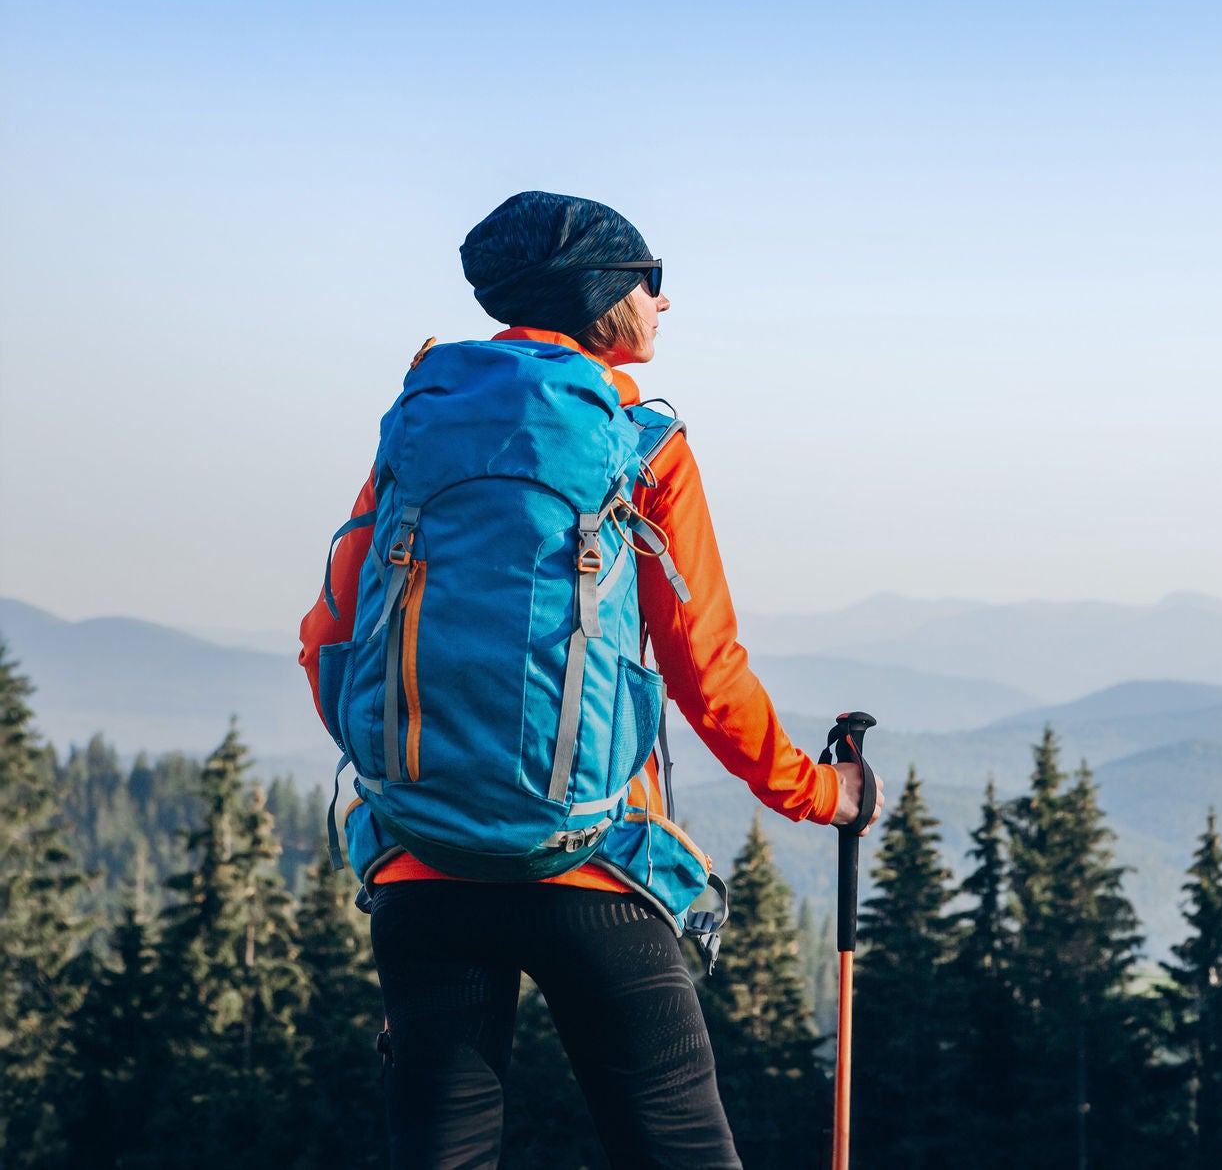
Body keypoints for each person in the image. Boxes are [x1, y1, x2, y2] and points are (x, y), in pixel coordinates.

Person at [298, 190, 882, 1170]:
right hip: (590, 865)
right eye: (652, 282)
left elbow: (329, 639)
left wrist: (412, 780)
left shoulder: (417, 427)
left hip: (419, 871)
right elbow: (706, 668)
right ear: (606, 296)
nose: (664, 304)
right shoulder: (641, 445)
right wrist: (822, 794)